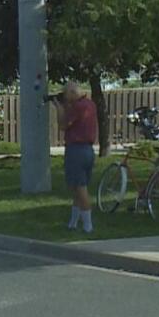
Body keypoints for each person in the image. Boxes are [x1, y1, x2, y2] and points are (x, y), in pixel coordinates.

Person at [57, 81, 98, 233]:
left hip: (76, 150)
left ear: (73, 93)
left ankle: (88, 226)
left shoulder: (78, 107)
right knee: (76, 187)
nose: (66, 98)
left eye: (66, 95)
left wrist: (59, 108)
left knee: (80, 188)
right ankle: (73, 223)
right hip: (88, 149)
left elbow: (62, 125)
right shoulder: (90, 104)